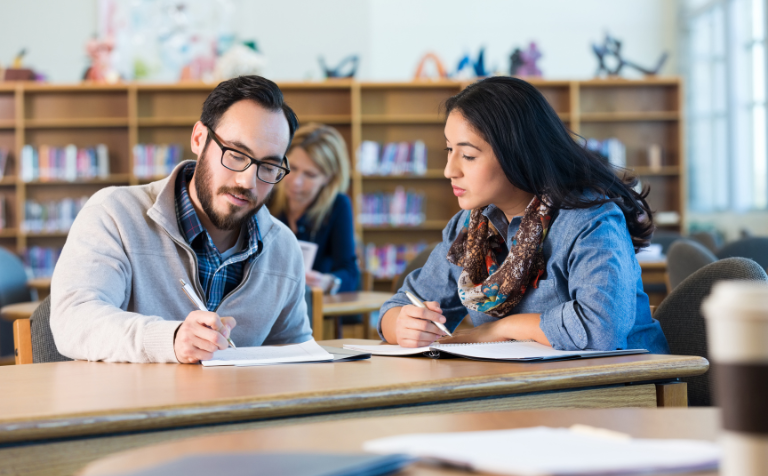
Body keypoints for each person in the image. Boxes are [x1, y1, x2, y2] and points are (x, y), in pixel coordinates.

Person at [379, 77, 669, 354]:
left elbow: (600, 329)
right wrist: (402, 325)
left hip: (625, 387)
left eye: (467, 155)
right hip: (528, 389)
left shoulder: (590, 220)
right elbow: (398, 305)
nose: (449, 170)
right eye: (449, 150)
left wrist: (498, 330)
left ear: (516, 153)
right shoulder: (470, 229)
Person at [50, 75, 313, 364]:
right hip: (133, 405)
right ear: (199, 139)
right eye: (237, 154)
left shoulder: (283, 248)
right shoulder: (114, 213)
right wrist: (171, 339)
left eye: (269, 166)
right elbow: (73, 321)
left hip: (237, 407)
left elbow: (294, 353)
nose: (247, 181)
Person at [269, 123, 359, 294]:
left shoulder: (338, 205)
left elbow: (349, 272)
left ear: (328, 178)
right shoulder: (267, 196)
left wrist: (328, 282)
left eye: (310, 174)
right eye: (292, 168)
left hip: (314, 307)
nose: (296, 181)